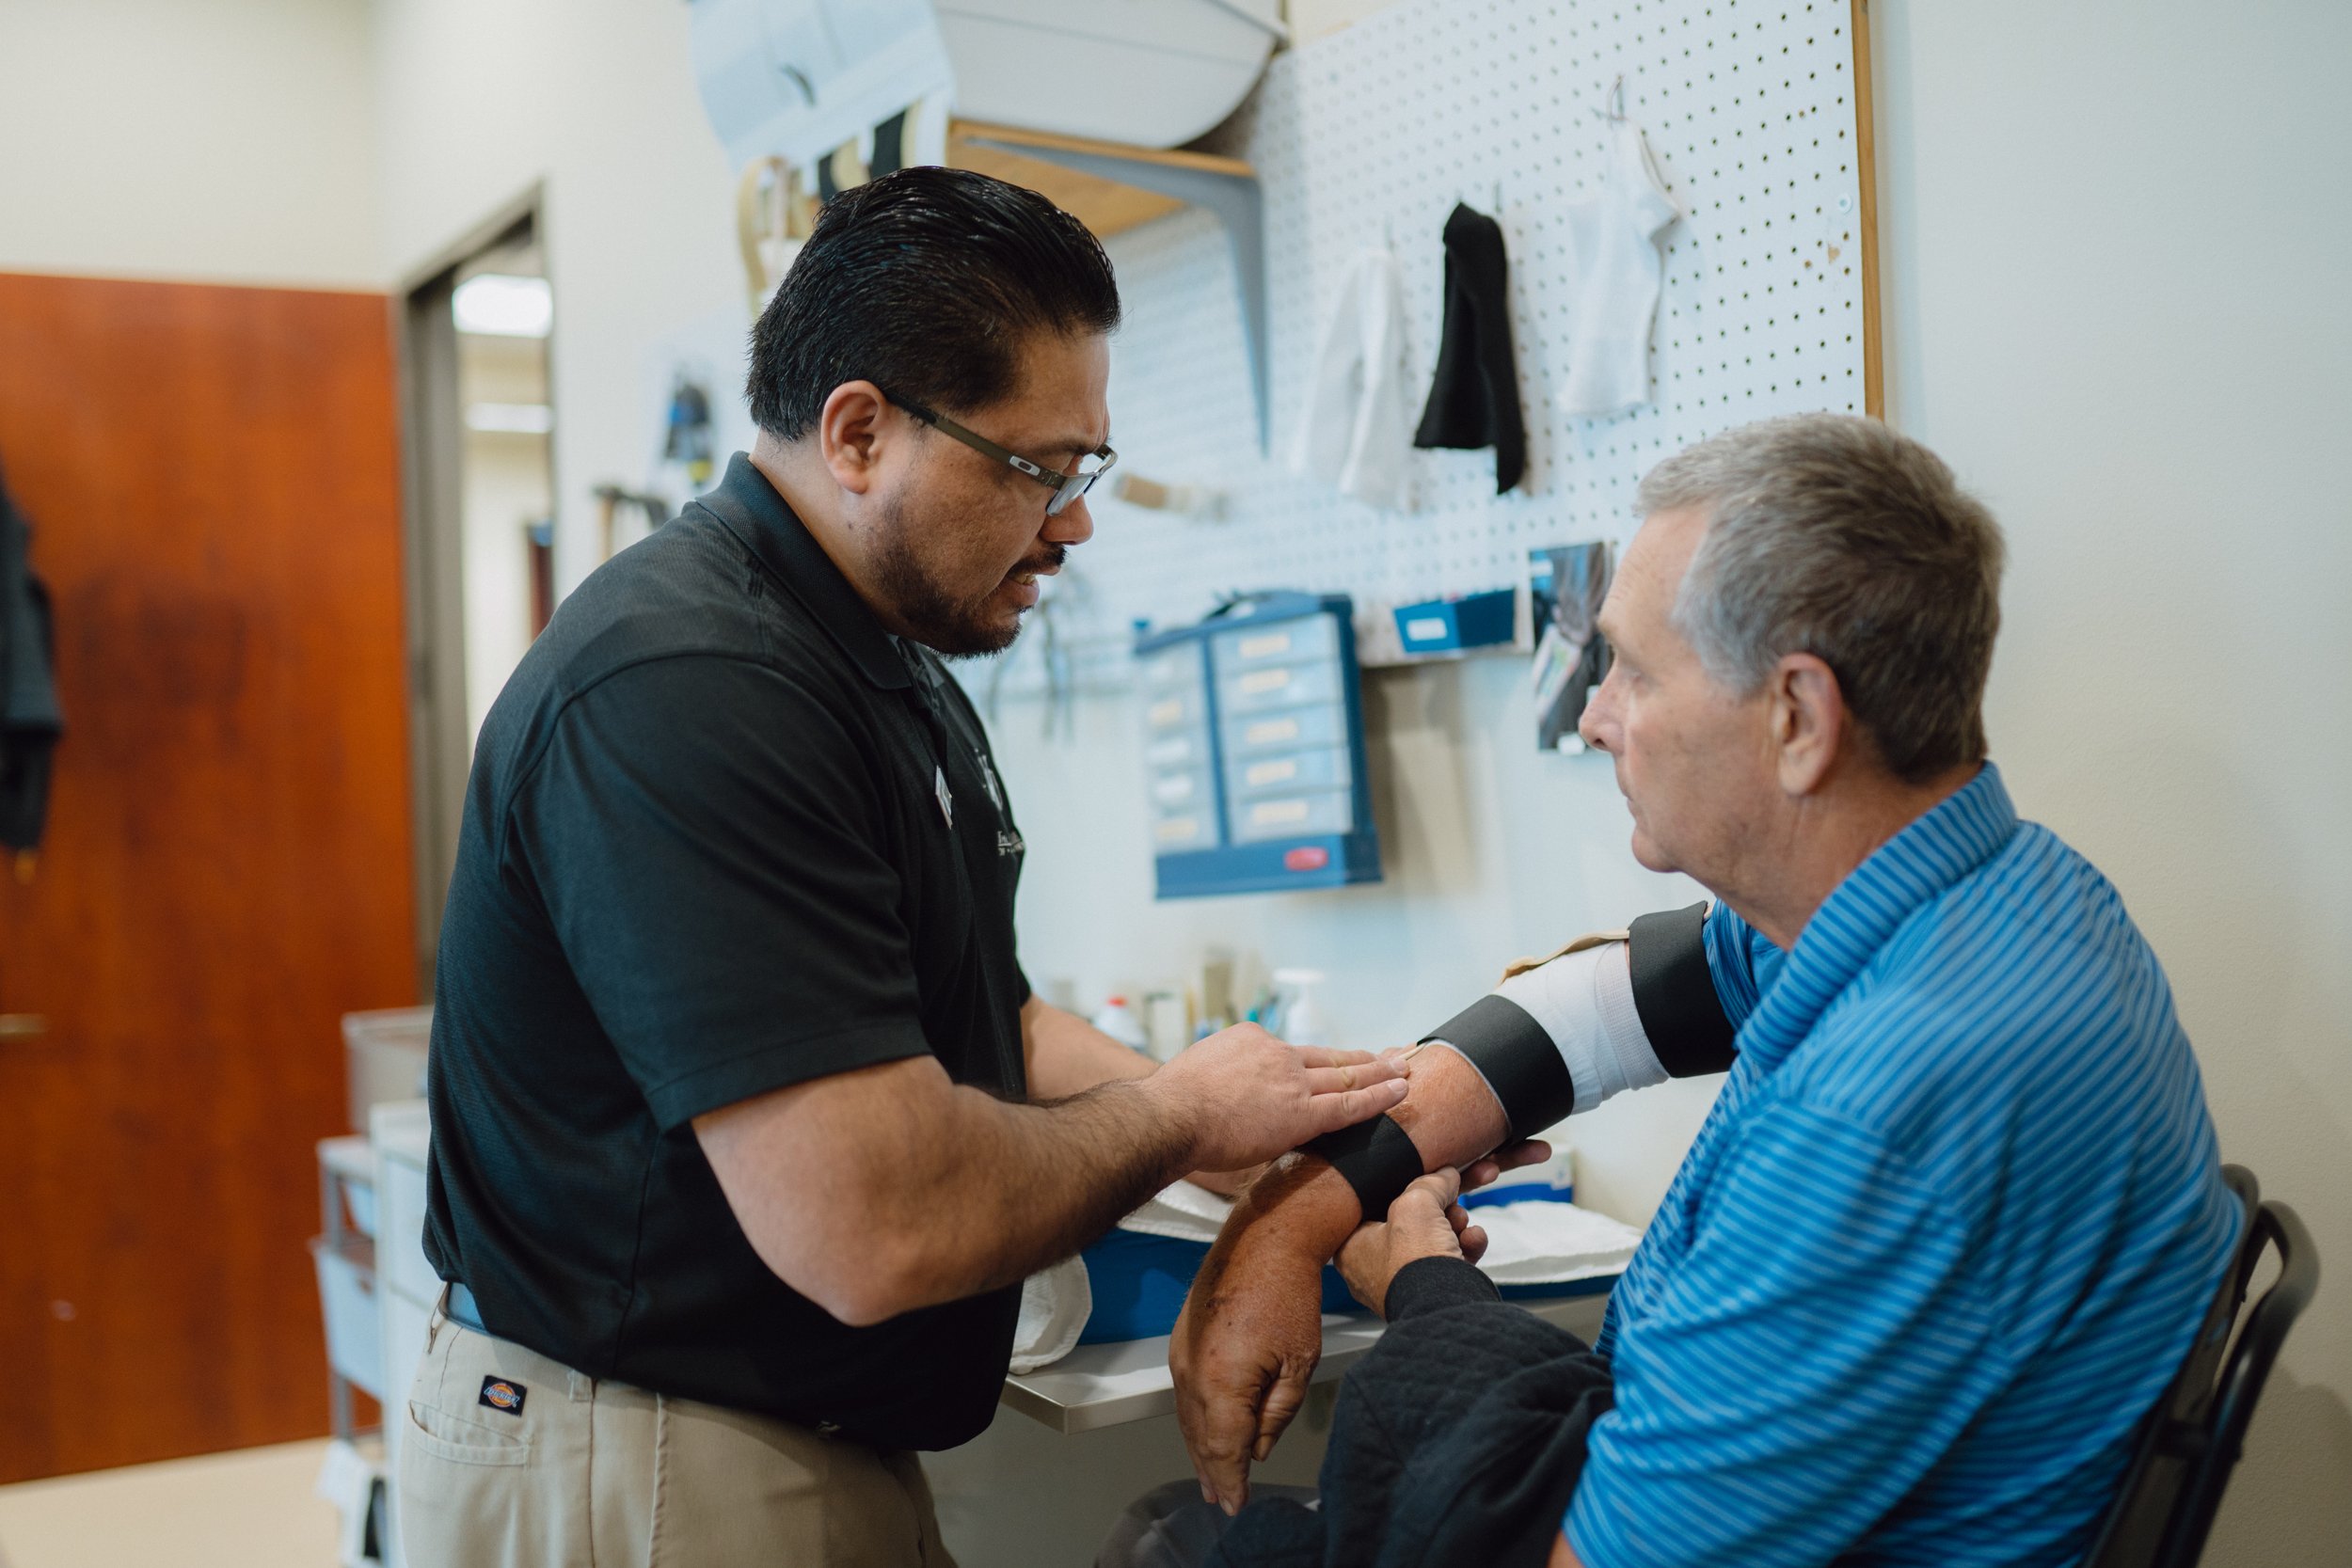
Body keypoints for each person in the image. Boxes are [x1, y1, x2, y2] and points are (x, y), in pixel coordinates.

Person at [400, 166, 1409, 1568]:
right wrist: (1181, 1113)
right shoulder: (689, 683)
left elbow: (993, 1020)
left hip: (796, 1429)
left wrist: (1266, 1121)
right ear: (861, 433)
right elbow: (870, 1220)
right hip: (647, 1451)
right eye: (1039, 468)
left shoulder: (875, 658)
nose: (1073, 521)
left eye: (1086, 469)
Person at [1145, 414, 2239, 1568]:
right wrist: (1291, 1220)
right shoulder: (2007, 895)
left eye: (1633, 669)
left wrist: (1423, 1288)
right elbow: (1593, 1007)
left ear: (1797, 717)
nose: (1592, 714)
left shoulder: (1889, 1102)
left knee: (1176, 1540)